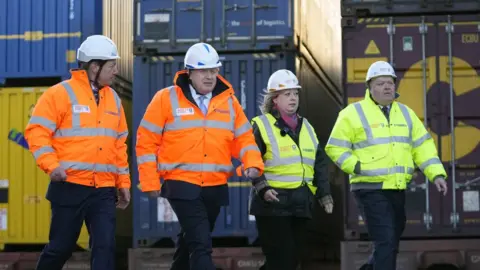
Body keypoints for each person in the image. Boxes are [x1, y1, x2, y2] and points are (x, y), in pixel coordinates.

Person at [135, 42, 264, 270]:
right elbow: (146, 141)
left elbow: (244, 139)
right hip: (181, 185)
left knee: (190, 240)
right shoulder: (165, 99)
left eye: (214, 70)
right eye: (203, 71)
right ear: (189, 72)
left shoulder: (229, 103)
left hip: (214, 187)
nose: (209, 76)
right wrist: (149, 180)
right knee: (201, 244)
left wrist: (252, 164)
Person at [325, 61, 448, 270]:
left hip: (397, 188)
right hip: (369, 188)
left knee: (391, 240)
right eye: (381, 83)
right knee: (386, 240)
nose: (387, 87)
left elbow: (423, 147)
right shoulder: (352, 113)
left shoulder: (406, 114)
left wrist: (436, 174)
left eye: (390, 83)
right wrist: (356, 166)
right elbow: (335, 147)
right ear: (369, 87)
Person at [24, 35, 131, 270]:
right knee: (61, 247)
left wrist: (123, 182)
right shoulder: (59, 94)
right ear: (95, 67)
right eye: (112, 66)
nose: (115, 71)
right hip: (69, 185)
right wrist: (51, 166)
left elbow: (119, 144)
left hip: (103, 190)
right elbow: (36, 133)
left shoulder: (113, 98)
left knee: (105, 246)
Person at [248, 69, 334, 270]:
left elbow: (319, 164)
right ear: (275, 99)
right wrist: (262, 188)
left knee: (294, 260)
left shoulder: (307, 127)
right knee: (281, 260)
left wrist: (325, 194)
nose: (293, 98)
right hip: (272, 204)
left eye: (295, 93)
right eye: (287, 94)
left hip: (300, 204)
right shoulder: (261, 126)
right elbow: (251, 160)